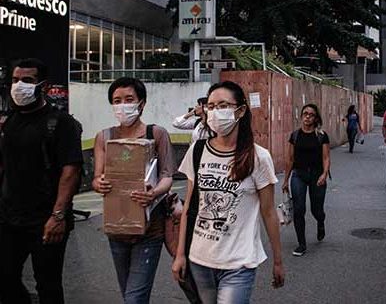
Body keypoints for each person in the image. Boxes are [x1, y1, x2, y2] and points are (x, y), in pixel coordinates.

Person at [173, 81, 284, 303]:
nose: (215, 112)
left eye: (223, 105)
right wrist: (180, 254)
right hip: (199, 258)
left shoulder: (258, 158)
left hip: (238, 262)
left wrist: (278, 261)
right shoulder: (197, 151)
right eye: (211, 106)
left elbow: (269, 212)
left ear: (240, 110)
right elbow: (189, 207)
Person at [0, 59, 83, 304]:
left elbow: (71, 171)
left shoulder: (61, 123)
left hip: (46, 219)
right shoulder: (10, 122)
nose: (19, 86)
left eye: (27, 80)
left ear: (43, 86)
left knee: (47, 284)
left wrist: (58, 217)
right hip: (9, 217)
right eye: (15, 80)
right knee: (5, 278)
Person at [92, 77, 174, 303]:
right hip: (116, 229)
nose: (122, 105)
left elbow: (167, 175)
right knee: (129, 293)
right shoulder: (104, 137)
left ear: (142, 103)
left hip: (150, 228)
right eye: (117, 101)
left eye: (129, 99)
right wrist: (99, 183)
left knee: (134, 298)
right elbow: (97, 177)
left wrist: (154, 193)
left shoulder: (156, 134)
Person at [282, 104, 331, 257]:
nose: (307, 116)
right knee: (299, 209)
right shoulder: (295, 136)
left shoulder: (321, 135)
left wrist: (324, 173)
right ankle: (301, 244)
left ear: (316, 118)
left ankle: (320, 221)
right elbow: (290, 159)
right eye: (305, 113)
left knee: (316, 210)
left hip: (317, 176)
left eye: (311, 114)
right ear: (301, 116)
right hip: (299, 175)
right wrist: (285, 180)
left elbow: (326, 157)